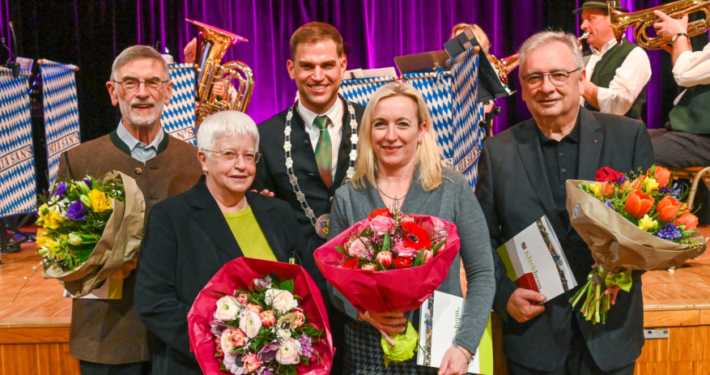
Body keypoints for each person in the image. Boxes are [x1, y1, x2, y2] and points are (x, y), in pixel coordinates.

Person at [475, 31, 654, 374]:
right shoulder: (497, 153)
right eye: (534, 78)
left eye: (559, 74)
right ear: (523, 87)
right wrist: (503, 294)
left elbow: (652, 231)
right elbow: (482, 239)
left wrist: (622, 273)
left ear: (581, 78)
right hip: (533, 336)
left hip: (610, 333)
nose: (547, 87)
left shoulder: (628, 137)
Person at [328, 81, 495, 374]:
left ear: (421, 130)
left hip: (442, 350)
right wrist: (364, 313)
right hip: (370, 352)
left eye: (402, 124)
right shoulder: (348, 196)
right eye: (380, 124)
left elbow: (482, 274)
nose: (391, 136)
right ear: (369, 131)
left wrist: (465, 346)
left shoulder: (451, 188)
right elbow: (334, 281)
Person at [56, 45, 203, 375]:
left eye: (153, 82)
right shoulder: (78, 162)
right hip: (106, 338)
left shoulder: (196, 162)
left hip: (181, 339)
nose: (142, 93)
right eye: (130, 83)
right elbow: (61, 257)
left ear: (168, 90)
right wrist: (104, 265)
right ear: (113, 91)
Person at [134, 110, 309, 374]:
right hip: (198, 365)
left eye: (249, 156)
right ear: (203, 159)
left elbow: (308, 283)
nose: (241, 165)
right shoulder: (171, 217)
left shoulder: (279, 213)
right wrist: (225, 346)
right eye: (228, 154)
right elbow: (154, 302)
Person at [252, 22, 365, 373]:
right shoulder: (265, 136)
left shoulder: (377, 123)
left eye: (327, 65)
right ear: (291, 69)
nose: (318, 76)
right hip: (300, 296)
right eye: (307, 66)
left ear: (343, 64)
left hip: (368, 288)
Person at [648, 10, 710, 225]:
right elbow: (687, 76)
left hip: (704, 138)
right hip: (687, 131)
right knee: (626, 138)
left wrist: (679, 36)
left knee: (639, 151)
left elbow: (684, 75)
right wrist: (681, 49)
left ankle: (653, 225)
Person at [574, 0, 651, 119]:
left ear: (613, 20)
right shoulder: (585, 56)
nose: (582, 26)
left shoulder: (634, 54)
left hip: (618, 134)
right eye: (583, 20)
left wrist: (574, 77)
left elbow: (618, 104)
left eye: (590, 19)